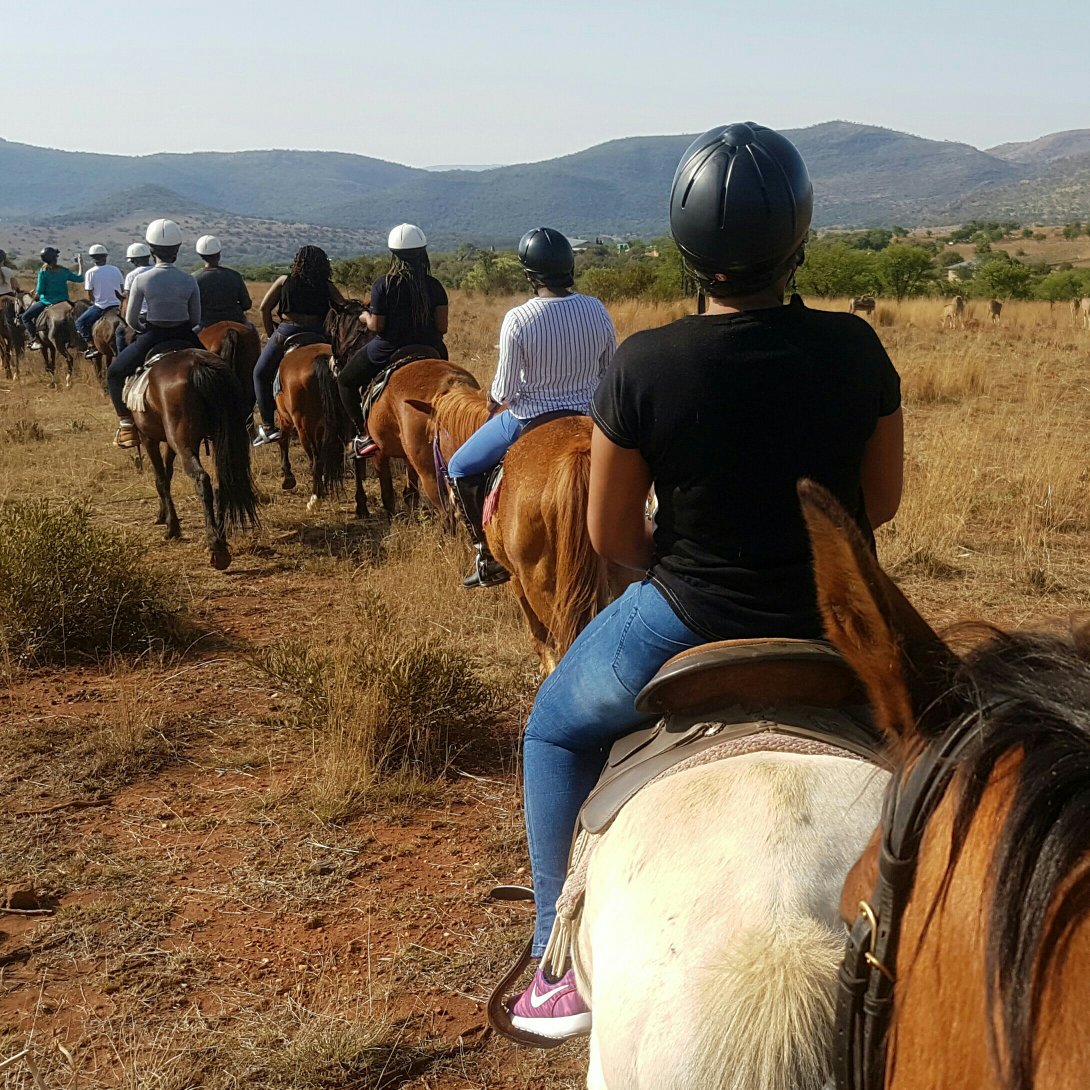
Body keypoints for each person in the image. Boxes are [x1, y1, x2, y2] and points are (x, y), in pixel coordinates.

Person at [504, 122, 904, 1041]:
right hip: (842, 621)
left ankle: (550, 963)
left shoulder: (644, 363)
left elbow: (609, 534)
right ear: (796, 236)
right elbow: (877, 505)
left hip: (684, 616)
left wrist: (677, 560)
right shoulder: (855, 348)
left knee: (555, 730)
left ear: (689, 249)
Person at [447, 227, 616, 589]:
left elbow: (505, 389)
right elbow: (608, 371)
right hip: (591, 417)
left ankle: (486, 555)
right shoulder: (596, 309)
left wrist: (492, 400)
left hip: (528, 418)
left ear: (529, 274)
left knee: (459, 467)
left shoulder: (518, 319)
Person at [337, 224, 449, 458]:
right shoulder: (435, 286)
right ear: (423, 252)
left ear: (393, 254)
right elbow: (442, 327)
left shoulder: (383, 285)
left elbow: (377, 327)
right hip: (432, 349)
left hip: (388, 350)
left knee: (345, 381)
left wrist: (365, 316)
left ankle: (363, 436)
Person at [106, 219, 202, 448]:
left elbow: (130, 318)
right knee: (220, 369)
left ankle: (126, 424)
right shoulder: (189, 279)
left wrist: (140, 329)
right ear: (177, 250)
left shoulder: (141, 279)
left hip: (153, 335)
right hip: (185, 334)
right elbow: (196, 318)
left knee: (115, 373)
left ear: (151, 250)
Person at [252, 245, 346, 446]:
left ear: (297, 261)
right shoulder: (327, 286)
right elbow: (344, 309)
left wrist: (272, 335)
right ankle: (352, 423)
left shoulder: (284, 281)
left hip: (287, 331)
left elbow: (264, 308)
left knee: (259, 373)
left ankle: (268, 425)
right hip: (320, 332)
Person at [21, 247, 83, 350]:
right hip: (64, 301)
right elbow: (80, 278)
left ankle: (35, 340)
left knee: (25, 317)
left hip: (47, 302)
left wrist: (35, 293)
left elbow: (40, 290)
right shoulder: (64, 271)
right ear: (56, 258)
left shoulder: (43, 272)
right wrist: (81, 264)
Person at [193, 235, 253, 330]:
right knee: (252, 332)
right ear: (219, 254)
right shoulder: (235, 275)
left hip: (205, 323)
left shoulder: (194, 278)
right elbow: (246, 304)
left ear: (200, 256)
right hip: (236, 320)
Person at [75, 244, 124, 358]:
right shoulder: (116, 269)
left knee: (80, 323)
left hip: (101, 306)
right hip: (117, 305)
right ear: (105, 257)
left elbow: (89, 294)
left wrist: (93, 301)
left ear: (92, 258)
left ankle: (92, 346)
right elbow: (122, 289)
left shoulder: (90, 272)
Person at [115, 242, 154, 356]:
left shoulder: (131, 275)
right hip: (161, 315)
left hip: (143, 316)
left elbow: (127, 298)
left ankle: (121, 357)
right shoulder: (158, 270)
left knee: (120, 332)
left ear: (134, 260)